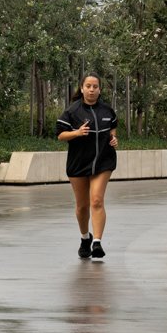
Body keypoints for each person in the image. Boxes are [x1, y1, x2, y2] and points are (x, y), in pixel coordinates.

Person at [55, 74, 118, 260]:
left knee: (97, 200)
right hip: (79, 162)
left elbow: (112, 130)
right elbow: (60, 135)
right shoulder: (72, 111)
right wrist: (77, 132)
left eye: (95, 86)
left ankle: (97, 242)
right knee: (82, 206)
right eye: (88, 86)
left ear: (99, 89)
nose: (92, 89)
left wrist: (114, 139)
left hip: (103, 161)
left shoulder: (107, 110)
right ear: (82, 88)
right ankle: (85, 238)